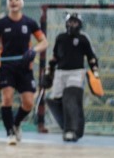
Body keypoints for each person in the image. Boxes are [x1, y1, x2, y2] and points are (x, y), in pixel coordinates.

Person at [0, 0, 48, 145]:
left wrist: (33, 51)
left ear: (21, 3)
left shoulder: (30, 23)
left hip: (25, 67)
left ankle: (16, 123)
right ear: (7, 3)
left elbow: (44, 42)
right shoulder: (1, 23)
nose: (13, 1)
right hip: (6, 67)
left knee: (28, 103)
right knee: (7, 98)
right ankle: (10, 132)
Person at [42, 13, 99, 142]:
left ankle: (72, 130)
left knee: (71, 98)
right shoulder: (60, 38)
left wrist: (95, 71)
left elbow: (91, 57)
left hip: (76, 73)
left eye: (75, 22)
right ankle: (69, 126)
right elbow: (54, 57)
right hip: (60, 72)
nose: (72, 25)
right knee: (55, 100)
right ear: (66, 23)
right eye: (70, 22)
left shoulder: (83, 39)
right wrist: (48, 72)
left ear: (79, 24)